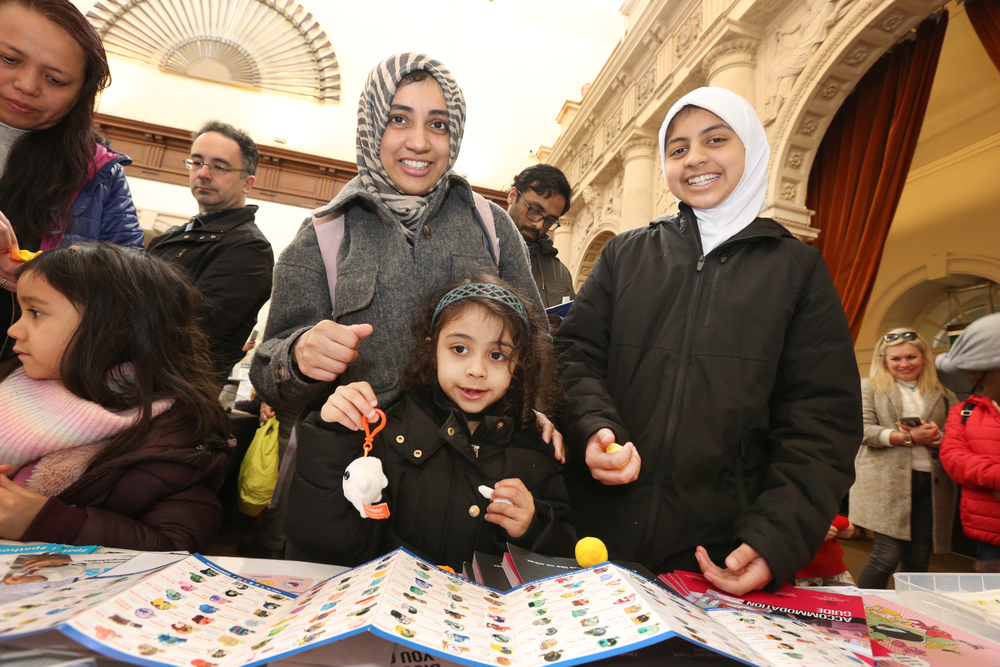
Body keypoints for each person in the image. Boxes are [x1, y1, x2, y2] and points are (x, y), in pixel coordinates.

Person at [556, 87, 862, 594]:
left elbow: (821, 421)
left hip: (717, 553)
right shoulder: (626, 255)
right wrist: (593, 429)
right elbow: (574, 357)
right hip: (596, 535)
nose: (694, 158)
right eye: (677, 149)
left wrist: (774, 537)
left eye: (715, 139)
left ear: (751, 149)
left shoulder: (798, 270)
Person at [248, 53, 549, 557]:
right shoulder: (323, 234)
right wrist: (298, 355)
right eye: (399, 119)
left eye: (438, 124)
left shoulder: (493, 228)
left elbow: (535, 342)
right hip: (351, 489)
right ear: (371, 126)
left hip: (464, 489)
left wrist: (545, 413)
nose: (419, 142)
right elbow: (267, 368)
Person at [285, 277, 574, 569]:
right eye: (459, 349)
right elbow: (327, 543)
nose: (476, 370)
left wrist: (534, 528)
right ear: (432, 350)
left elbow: (566, 556)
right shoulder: (391, 433)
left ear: (519, 363)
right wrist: (332, 436)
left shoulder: (538, 448)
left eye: (497, 355)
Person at [0, 243, 231, 551]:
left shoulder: (173, 436)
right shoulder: (13, 382)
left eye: (36, 312)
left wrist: (51, 523)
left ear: (112, 325)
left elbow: (177, 544)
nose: (15, 329)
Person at [0, 0, 143, 361]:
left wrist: (43, 276)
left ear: (81, 94)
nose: (27, 85)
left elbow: (130, 290)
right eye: (9, 59)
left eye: (55, 79)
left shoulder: (99, 173)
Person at [147, 121, 274, 380]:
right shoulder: (169, 236)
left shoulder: (249, 249)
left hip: (171, 393)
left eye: (219, 166)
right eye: (197, 162)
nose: (203, 173)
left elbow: (193, 334)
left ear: (247, 183)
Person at [850, 329, 956, 588]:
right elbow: (861, 431)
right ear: (883, 360)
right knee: (886, 557)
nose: (905, 363)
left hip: (931, 484)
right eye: (896, 358)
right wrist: (908, 438)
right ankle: (862, 618)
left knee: (918, 563)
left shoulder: (942, 392)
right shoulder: (869, 387)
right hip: (885, 484)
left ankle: (909, 621)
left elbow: (957, 434)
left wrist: (938, 436)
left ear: (924, 358)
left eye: (911, 357)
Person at [937, 314, 1000, 573]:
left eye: (976, 376)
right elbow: (954, 458)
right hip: (989, 529)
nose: (975, 385)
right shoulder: (964, 412)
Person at [507, 165, 574, 309]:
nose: (539, 225)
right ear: (513, 196)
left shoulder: (561, 274)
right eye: (535, 211)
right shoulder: (474, 246)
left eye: (549, 220)